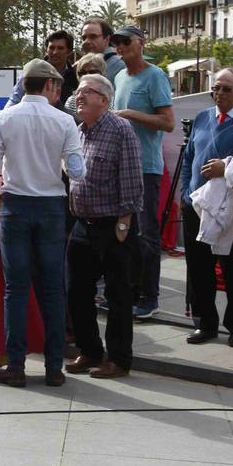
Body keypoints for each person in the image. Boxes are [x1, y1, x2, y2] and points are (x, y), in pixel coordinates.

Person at [0, 58, 86, 388]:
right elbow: (78, 171)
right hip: (51, 207)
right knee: (52, 288)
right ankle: (54, 367)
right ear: (51, 86)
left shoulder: (3, 118)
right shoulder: (64, 121)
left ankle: (17, 365)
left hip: (16, 205)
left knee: (16, 289)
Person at [179, 68, 233, 348]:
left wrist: (225, 168)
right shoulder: (203, 117)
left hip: (231, 208)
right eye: (215, 88)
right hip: (196, 205)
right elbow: (189, 156)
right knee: (199, 268)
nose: (219, 94)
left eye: (226, 88)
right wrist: (185, 194)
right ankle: (205, 323)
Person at [66, 73, 143, 378]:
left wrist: (124, 224)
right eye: (79, 91)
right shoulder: (80, 130)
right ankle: (89, 350)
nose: (80, 96)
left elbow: (133, 181)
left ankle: (119, 359)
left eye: (87, 92)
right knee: (77, 291)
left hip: (113, 225)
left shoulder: (121, 130)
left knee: (118, 295)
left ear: (105, 100)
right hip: (82, 224)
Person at [110, 25, 174, 319]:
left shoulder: (155, 75)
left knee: (147, 234)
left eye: (125, 41)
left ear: (141, 43)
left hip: (146, 168)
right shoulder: (120, 76)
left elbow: (168, 122)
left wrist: (129, 115)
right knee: (125, 233)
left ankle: (150, 297)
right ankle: (130, 292)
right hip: (120, 167)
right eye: (116, 42)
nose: (120, 46)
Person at [6, 31, 79, 110]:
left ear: (69, 52)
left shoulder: (76, 76)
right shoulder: (31, 73)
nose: (55, 52)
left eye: (60, 48)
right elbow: (14, 101)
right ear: (46, 50)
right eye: (51, 48)